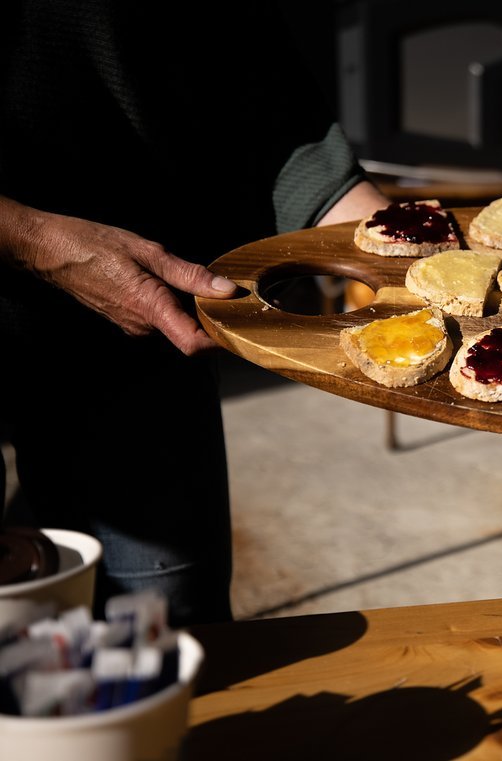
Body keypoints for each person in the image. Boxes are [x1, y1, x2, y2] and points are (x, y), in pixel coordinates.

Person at [0, 2, 391, 626]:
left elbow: (263, 97)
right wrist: (30, 238)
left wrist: (393, 238)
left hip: (145, 329)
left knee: (171, 624)